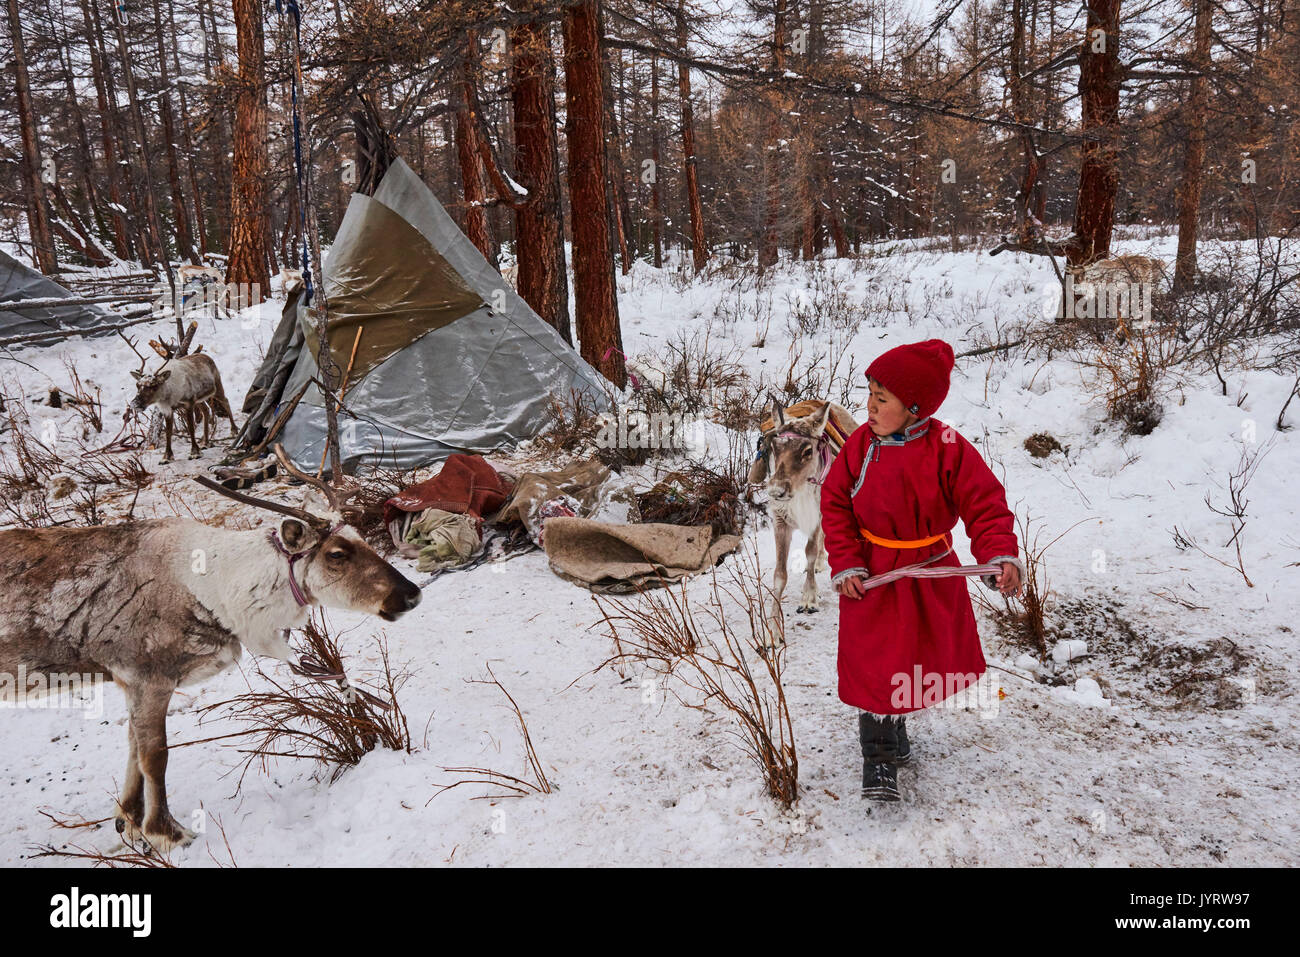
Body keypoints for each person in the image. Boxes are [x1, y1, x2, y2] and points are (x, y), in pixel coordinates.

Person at [819, 339, 1024, 802]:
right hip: (873, 575)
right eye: (869, 392)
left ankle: (897, 726)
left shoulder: (948, 446)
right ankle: (877, 759)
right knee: (873, 661)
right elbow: (834, 502)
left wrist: (999, 555)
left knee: (909, 656)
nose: (868, 406)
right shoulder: (860, 444)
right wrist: (847, 560)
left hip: (928, 569)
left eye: (882, 398)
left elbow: (985, 503)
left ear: (915, 409)